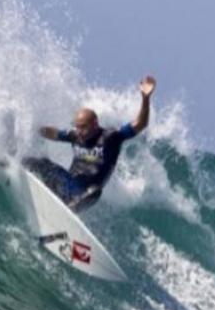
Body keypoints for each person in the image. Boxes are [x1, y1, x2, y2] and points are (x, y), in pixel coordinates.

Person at [22, 75, 156, 212]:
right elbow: (54, 133)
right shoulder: (75, 136)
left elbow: (140, 124)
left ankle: (70, 208)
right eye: (77, 126)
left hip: (85, 194)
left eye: (83, 127)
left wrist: (145, 99)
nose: (79, 131)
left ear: (95, 124)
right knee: (43, 163)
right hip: (67, 184)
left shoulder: (110, 137)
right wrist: (33, 126)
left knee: (95, 191)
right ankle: (11, 164)